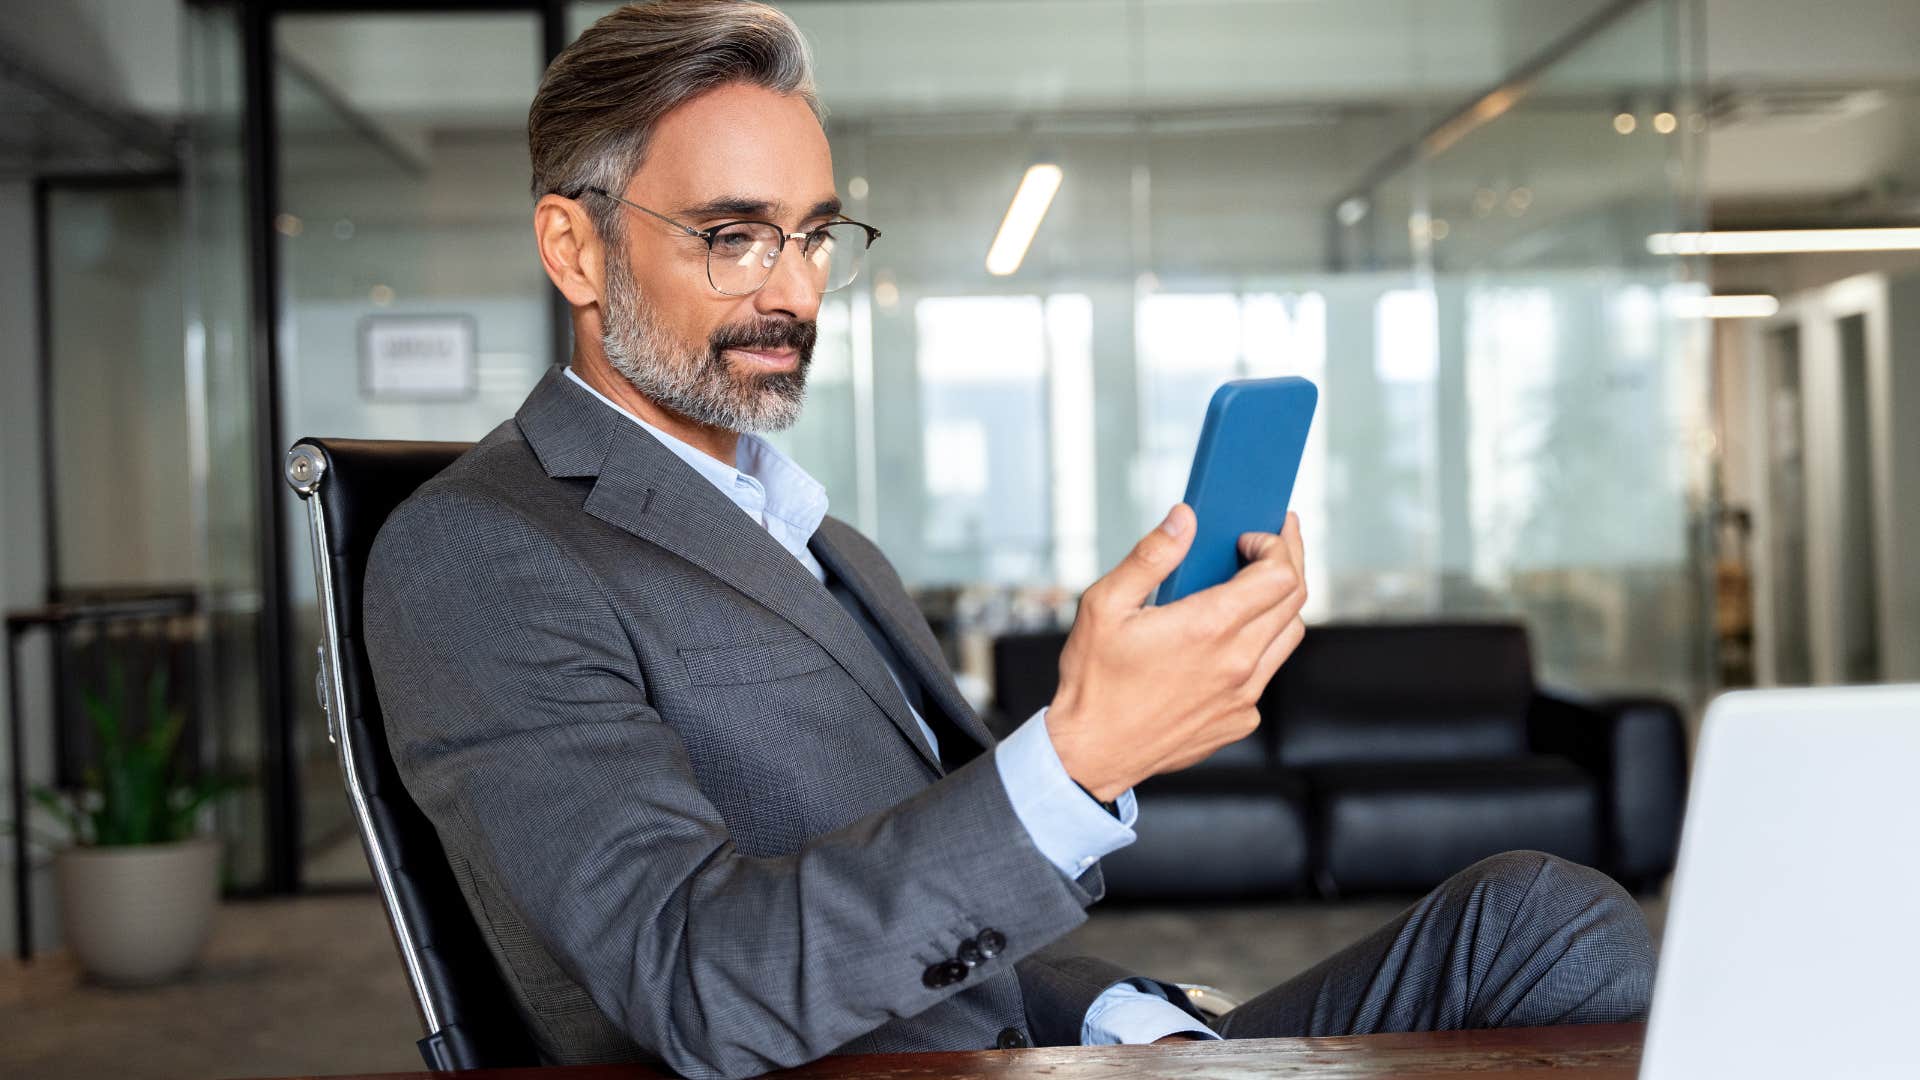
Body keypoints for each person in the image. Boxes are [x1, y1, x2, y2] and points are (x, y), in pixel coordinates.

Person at [362, 3, 1653, 1077]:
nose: (794, 290)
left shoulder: (828, 543)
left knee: (1537, 917)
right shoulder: (480, 553)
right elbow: (694, 986)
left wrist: (1113, 1012)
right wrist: (1079, 754)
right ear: (573, 247)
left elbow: (952, 911)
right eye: (733, 235)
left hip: (1038, 1049)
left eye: (814, 235)